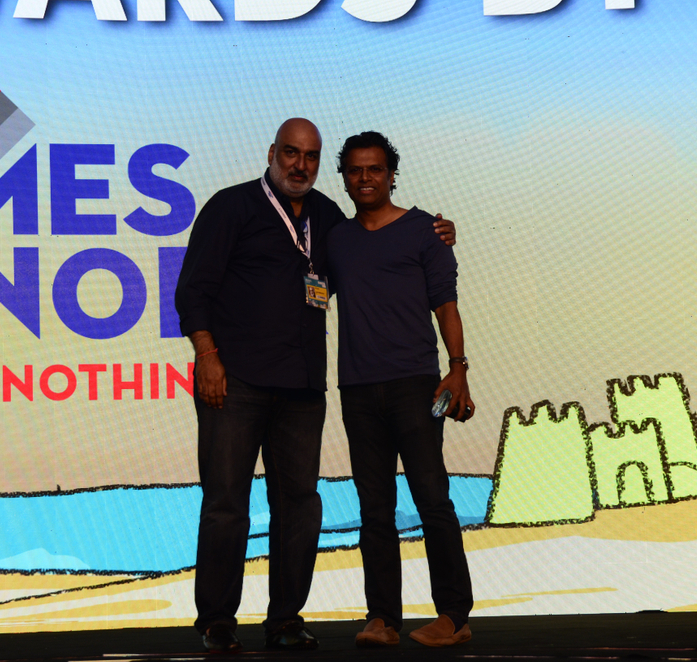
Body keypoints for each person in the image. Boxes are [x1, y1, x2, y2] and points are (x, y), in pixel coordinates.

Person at [174, 119, 455, 653]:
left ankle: (285, 620)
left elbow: (374, 245)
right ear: (272, 153)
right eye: (290, 153)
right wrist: (207, 357)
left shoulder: (328, 217)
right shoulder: (230, 207)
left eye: (310, 156)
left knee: (300, 504)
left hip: (302, 388)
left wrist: (435, 234)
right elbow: (193, 291)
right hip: (234, 382)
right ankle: (216, 621)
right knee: (227, 502)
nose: (299, 165)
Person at [328, 131, 475, 649]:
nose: (365, 178)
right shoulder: (336, 239)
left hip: (416, 385)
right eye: (355, 170)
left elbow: (446, 305)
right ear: (344, 177)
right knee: (374, 509)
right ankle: (382, 618)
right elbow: (309, 291)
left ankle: (454, 616)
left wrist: (457, 369)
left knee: (432, 499)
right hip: (357, 389)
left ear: (392, 175)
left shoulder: (425, 231)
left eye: (375, 169)